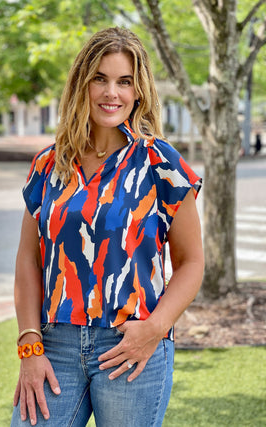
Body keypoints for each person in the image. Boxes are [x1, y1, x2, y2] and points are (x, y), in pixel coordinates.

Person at [11, 27, 204, 427]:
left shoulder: (160, 164)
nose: (111, 93)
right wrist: (29, 343)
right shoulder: (49, 165)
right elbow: (29, 261)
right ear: (82, 84)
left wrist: (154, 328)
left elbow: (191, 263)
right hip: (56, 345)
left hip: (132, 346)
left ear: (138, 91)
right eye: (100, 78)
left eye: (124, 81)